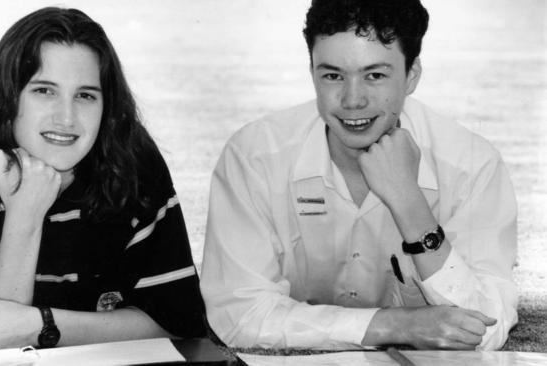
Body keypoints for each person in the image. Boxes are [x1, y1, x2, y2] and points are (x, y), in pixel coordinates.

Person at [200, 0, 517, 351]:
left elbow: (486, 325)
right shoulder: (255, 157)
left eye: (375, 75)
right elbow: (239, 315)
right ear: (312, 72)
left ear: (412, 75)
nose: (352, 100)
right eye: (333, 75)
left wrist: (409, 203)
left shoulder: (471, 165)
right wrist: (394, 325)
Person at [0, 7, 206, 351]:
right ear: (7, 96)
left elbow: (179, 320)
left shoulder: (131, 160)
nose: (66, 118)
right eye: (44, 90)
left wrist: (42, 326)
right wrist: (26, 211)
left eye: (85, 95)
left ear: (107, 105)